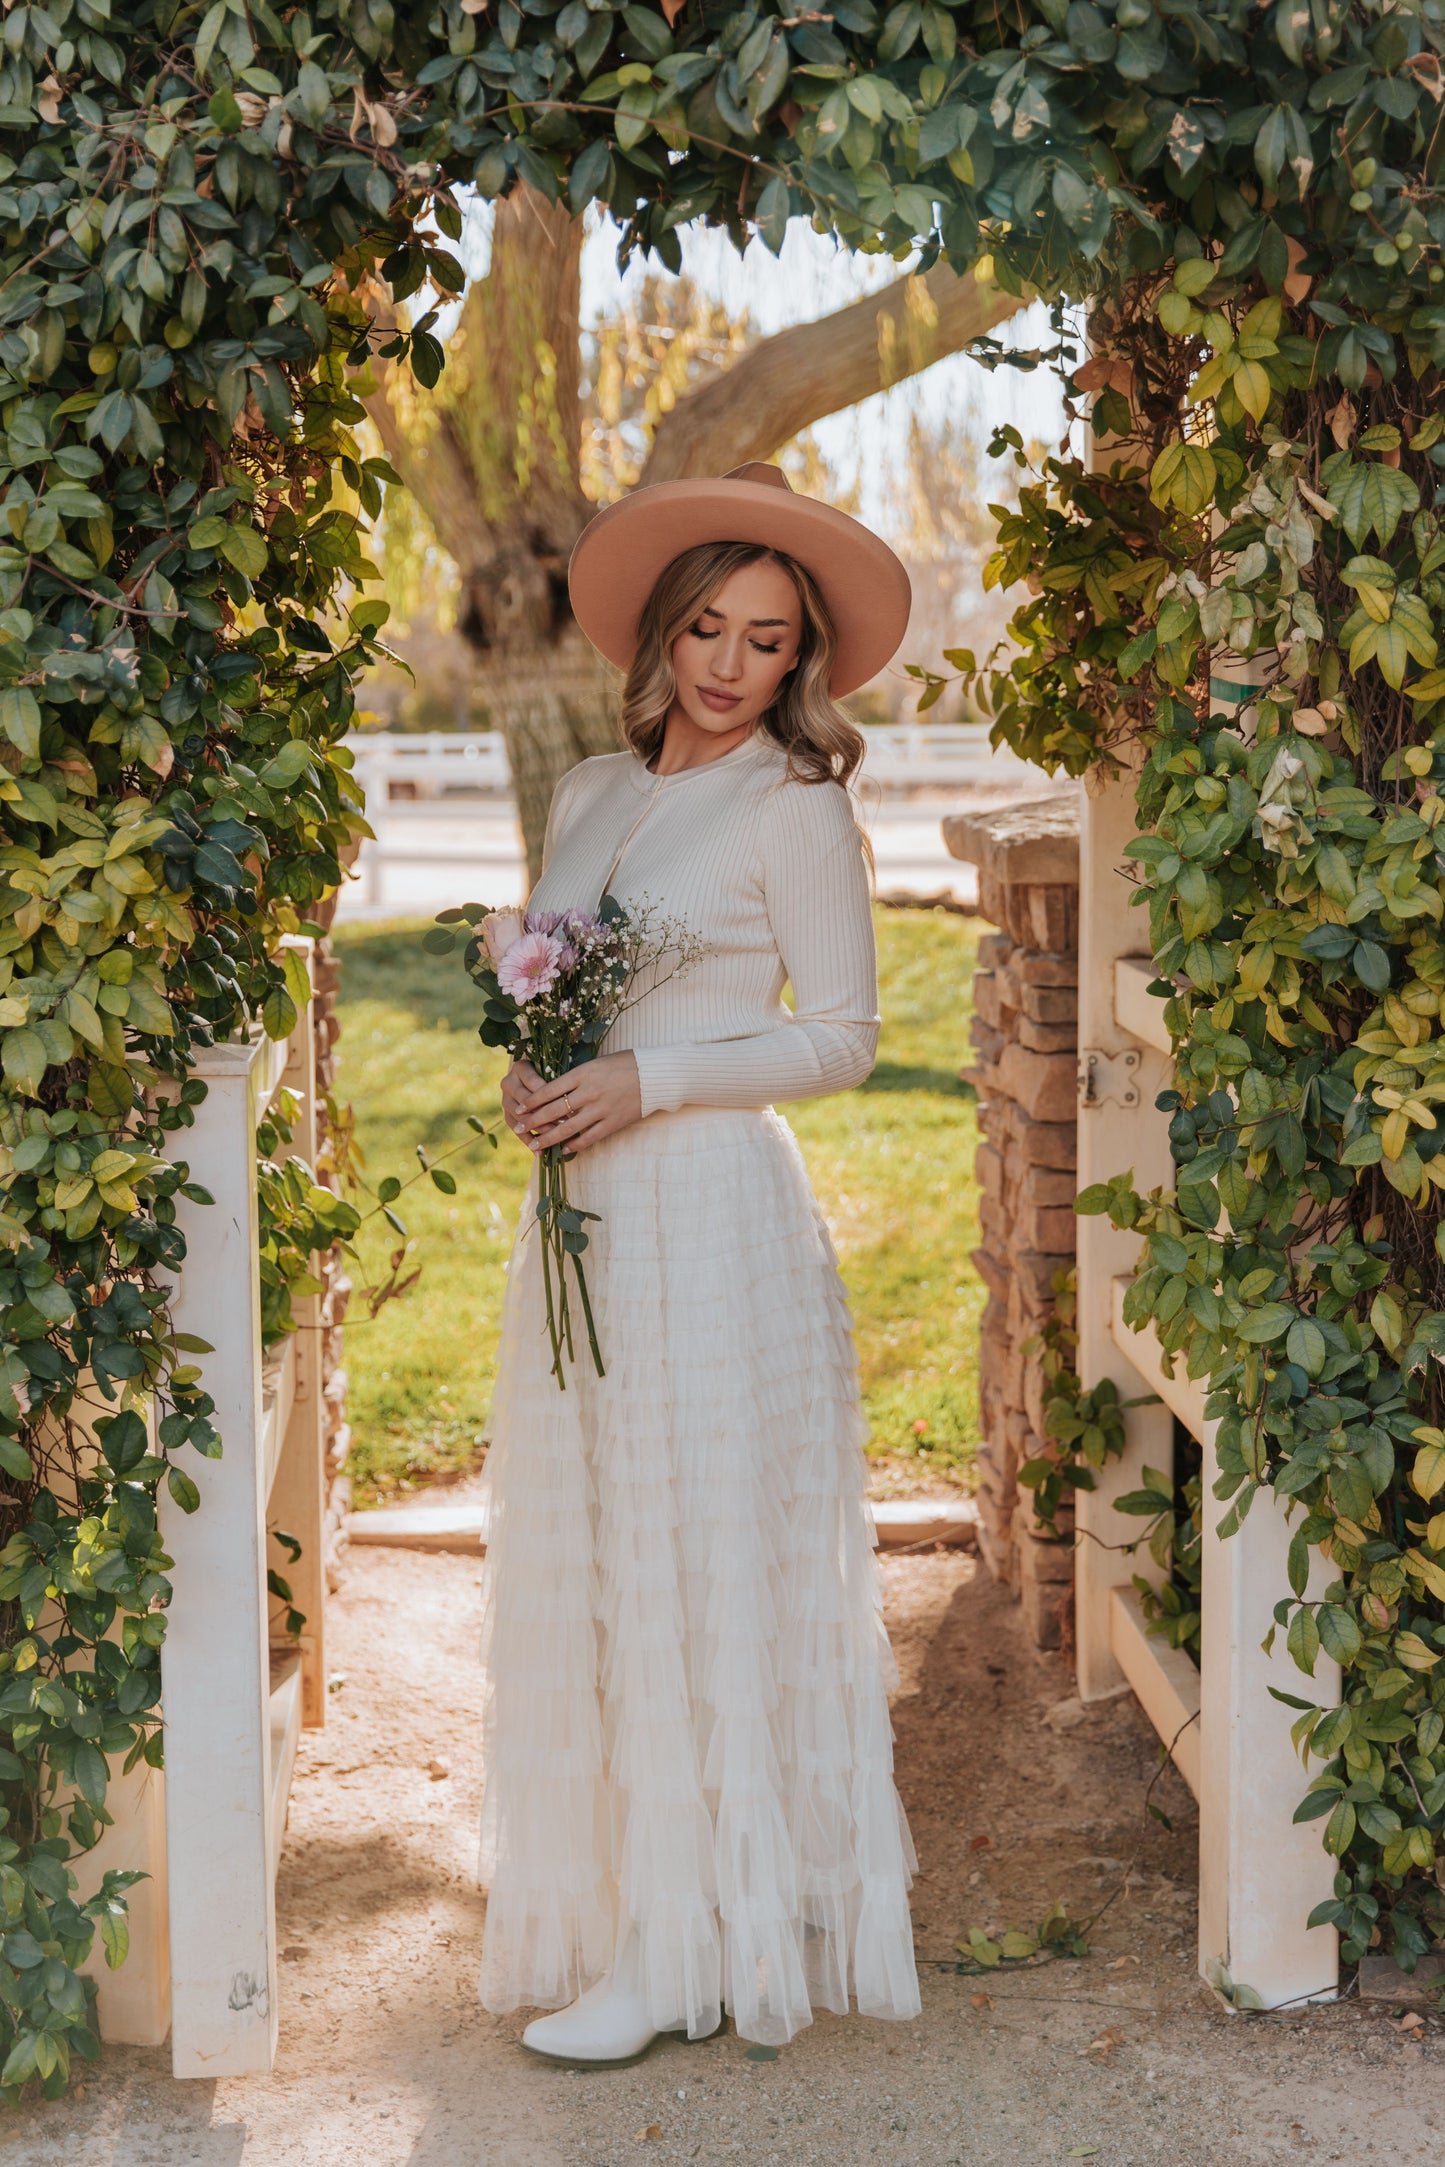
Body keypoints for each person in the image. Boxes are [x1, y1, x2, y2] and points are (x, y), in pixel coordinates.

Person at [477, 462, 922, 2065]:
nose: (730, 666)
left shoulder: (795, 804)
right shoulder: (594, 790)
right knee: (609, 1553)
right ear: (664, 633)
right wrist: (537, 1074)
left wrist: (652, 1080)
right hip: (585, 1218)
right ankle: (658, 1896)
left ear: (799, 663)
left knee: (697, 1552)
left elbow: (850, 1038)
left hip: (714, 1217)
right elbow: (560, 978)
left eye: (767, 641)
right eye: (709, 631)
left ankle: (689, 1943)